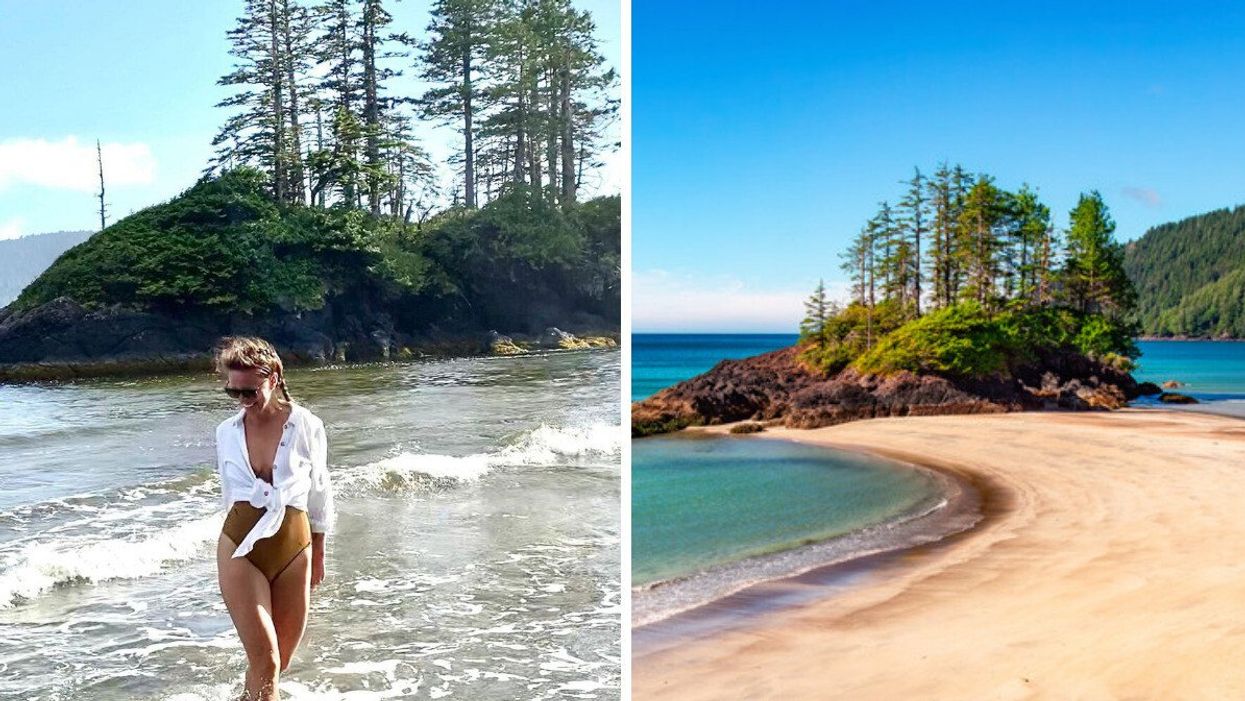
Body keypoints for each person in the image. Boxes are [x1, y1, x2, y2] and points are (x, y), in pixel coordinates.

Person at [213, 336, 335, 700]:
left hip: (294, 548)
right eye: (233, 392)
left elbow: (320, 491)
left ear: (274, 377)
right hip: (240, 548)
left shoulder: (306, 425)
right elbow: (228, 495)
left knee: (277, 664)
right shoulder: (225, 432)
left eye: (249, 391)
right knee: (265, 662)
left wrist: (319, 551)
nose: (242, 400)